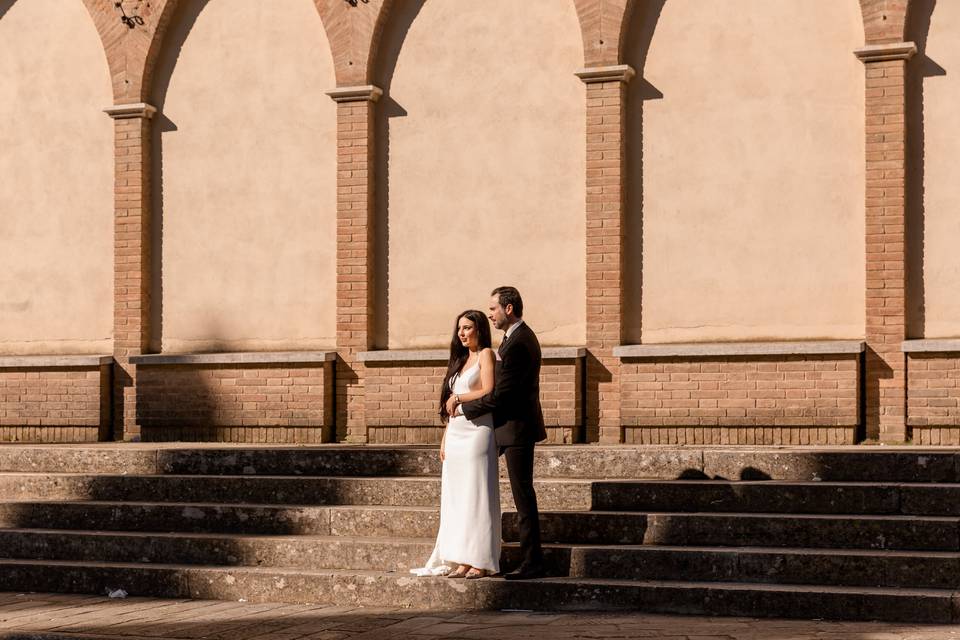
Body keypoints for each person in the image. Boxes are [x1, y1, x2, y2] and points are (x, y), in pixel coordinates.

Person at [452, 286, 546, 580]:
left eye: (493, 309)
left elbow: (502, 395)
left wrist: (463, 409)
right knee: (520, 494)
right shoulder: (513, 338)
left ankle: (533, 562)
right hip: (508, 427)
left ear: (508, 308)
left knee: (523, 496)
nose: (489, 314)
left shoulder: (519, 342)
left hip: (516, 428)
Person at [410, 309, 501, 579]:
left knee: (476, 494)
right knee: (458, 497)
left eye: (468, 328)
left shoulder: (486, 354)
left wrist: (459, 397)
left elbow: (488, 390)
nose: (462, 333)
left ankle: (480, 559)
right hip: (456, 433)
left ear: (479, 329)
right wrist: (444, 438)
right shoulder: (459, 360)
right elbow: (448, 408)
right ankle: (462, 557)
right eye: (459, 328)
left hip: (477, 433)